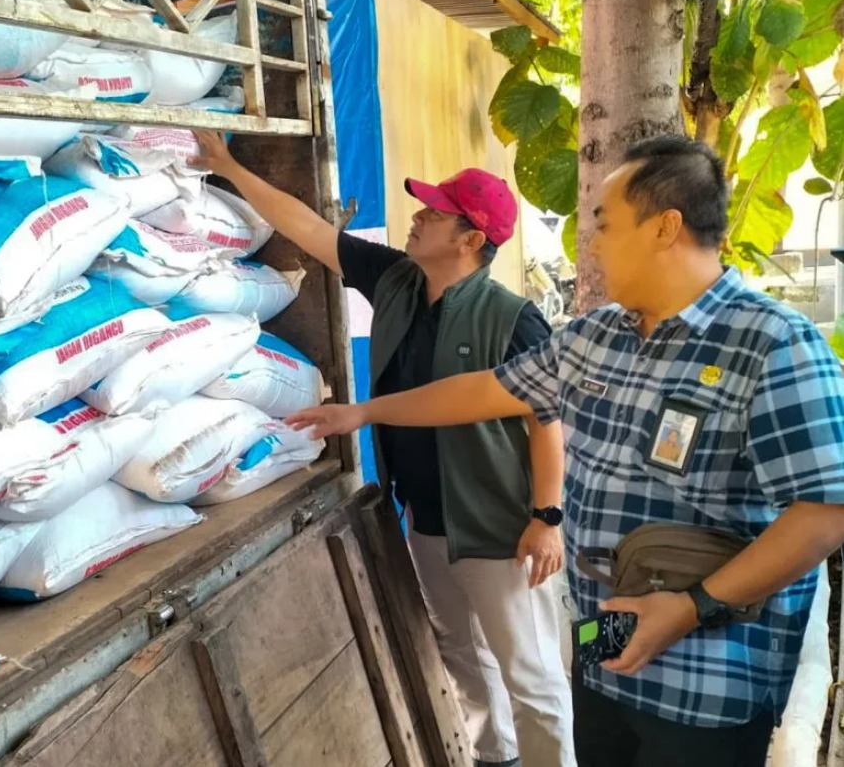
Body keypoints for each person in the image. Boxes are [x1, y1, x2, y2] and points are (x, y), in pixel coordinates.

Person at [288, 135, 844, 767]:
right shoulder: (596, 335)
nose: (593, 243)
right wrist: (363, 412)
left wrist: (691, 608)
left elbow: (825, 512)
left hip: (707, 676)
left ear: (665, 227)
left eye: (605, 225)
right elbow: (484, 391)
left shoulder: (772, 344)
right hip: (602, 645)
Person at [192, 130, 576, 767]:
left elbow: (547, 421)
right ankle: (495, 758)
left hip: (498, 527)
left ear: (471, 240)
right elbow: (308, 229)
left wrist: (546, 518)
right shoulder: (396, 280)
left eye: (435, 212)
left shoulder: (512, 318)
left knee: (530, 675)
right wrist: (229, 167)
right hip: (425, 518)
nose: (417, 216)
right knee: (459, 653)